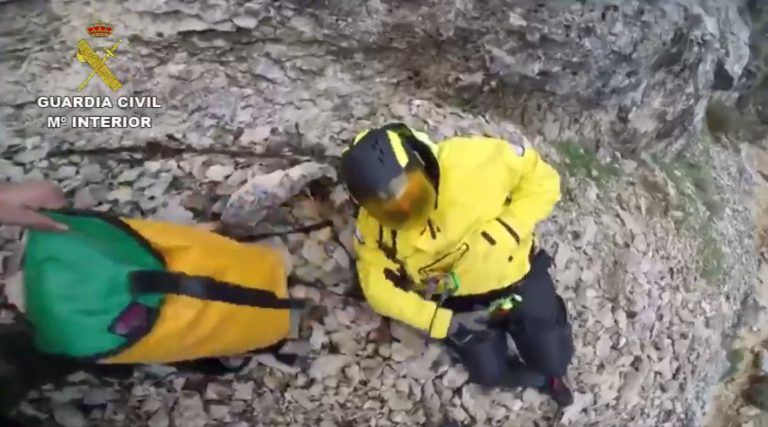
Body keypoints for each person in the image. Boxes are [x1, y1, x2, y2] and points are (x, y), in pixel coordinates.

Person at [340, 123, 575, 407]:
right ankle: (536, 379)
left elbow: (544, 180)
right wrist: (442, 322)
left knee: (553, 357)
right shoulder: (372, 226)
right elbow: (375, 286)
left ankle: (552, 375)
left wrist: (508, 228)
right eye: (389, 210)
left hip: (517, 279)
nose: (406, 210)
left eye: (412, 193)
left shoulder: (474, 161)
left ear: (422, 161)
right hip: (459, 305)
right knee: (489, 373)